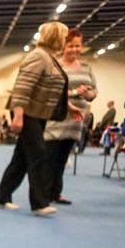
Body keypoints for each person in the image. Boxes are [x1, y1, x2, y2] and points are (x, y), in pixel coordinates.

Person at [0, 22, 81, 216]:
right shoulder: (38, 57)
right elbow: (22, 88)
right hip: (26, 113)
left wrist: (69, 106)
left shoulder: (48, 57)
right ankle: (40, 203)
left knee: (21, 159)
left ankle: (2, 196)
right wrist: (18, 116)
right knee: (39, 154)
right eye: (63, 37)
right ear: (55, 37)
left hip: (37, 114)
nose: (65, 41)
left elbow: (51, 89)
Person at [43, 29, 96, 205]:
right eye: (70, 45)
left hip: (75, 122)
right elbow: (52, 91)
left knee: (62, 160)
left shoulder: (87, 68)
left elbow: (94, 90)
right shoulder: (55, 64)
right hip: (56, 120)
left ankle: (56, 193)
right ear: (63, 46)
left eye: (77, 46)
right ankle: (43, 194)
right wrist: (75, 92)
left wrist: (89, 94)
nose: (74, 49)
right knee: (50, 159)